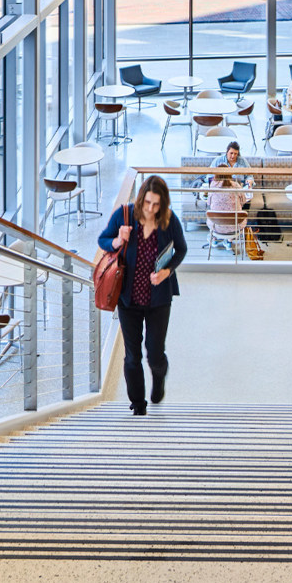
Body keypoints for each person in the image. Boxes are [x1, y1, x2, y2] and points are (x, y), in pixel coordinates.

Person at [97, 176, 188, 416]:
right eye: (147, 202)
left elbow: (182, 249)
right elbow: (103, 240)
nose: (150, 208)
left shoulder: (169, 220)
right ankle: (138, 405)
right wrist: (118, 240)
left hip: (159, 300)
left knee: (155, 353)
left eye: (156, 204)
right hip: (129, 300)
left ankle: (159, 378)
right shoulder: (124, 215)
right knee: (132, 356)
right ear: (140, 199)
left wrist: (167, 272)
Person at [205, 173, 250, 249]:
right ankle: (229, 241)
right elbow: (243, 201)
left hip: (216, 226)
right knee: (234, 215)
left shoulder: (213, 186)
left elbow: (208, 203)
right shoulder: (236, 186)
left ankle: (213, 239)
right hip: (236, 226)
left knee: (212, 216)